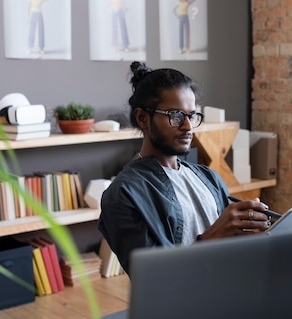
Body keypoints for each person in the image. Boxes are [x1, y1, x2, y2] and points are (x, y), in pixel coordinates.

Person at [98, 62, 271, 276]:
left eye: (191, 116)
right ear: (143, 118)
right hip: (181, 306)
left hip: (229, 289)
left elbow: (228, 245)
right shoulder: (123, 194)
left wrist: (251, 232)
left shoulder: (208, 177)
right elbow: (154, 279)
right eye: (176, 115)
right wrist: (212, 237)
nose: (188, 126)